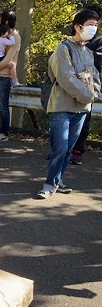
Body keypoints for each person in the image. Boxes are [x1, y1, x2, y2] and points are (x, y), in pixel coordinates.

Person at [36, 9, 100, 199]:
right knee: (60, 148)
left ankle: (57, 180)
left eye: (96, 25)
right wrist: (87, 96)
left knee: (69, 149)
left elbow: (95, 77)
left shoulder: (88, 52)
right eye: (90, 25)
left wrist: (93, 93)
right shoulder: (63, 49)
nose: (93, 29)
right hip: (62, 106)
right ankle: (49, 184)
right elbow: (66, 78)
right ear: (77, 26)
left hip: (81, 109)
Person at [71, 4, 102, 165]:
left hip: (87, 83)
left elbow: (98, 61)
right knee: (66, 117)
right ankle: (63, 151)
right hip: (70, 83)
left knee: (84, 119)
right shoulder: (73, 41)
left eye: (95, 23)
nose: (92, 27)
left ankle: (77, 151)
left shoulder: (98, 40)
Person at [0, 10, 21, 142]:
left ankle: (4, 133)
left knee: (3, 106)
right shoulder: (0, 35)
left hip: (4, 76)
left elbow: (8, 60)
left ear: (7, 21)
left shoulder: (15, 37)